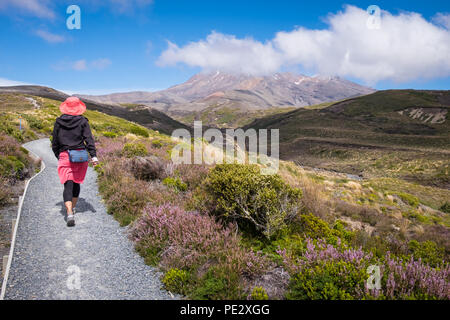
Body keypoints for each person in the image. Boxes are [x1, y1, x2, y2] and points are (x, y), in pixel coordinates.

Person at [52, 97, 98, 227]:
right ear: (79, 108)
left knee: (68, 184)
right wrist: (93, 156)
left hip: (64, 155)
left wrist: (60, 155)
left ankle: (69, 212)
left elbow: (54, 142)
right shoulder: (83, 121)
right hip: (80, 157)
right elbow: (89, 140)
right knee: (76, 182)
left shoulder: (58, 122)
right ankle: (73, 208)